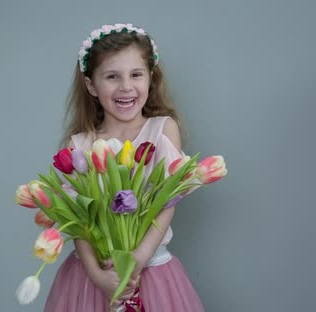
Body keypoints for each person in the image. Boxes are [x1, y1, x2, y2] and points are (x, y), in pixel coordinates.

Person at [44, 23, 205, 312]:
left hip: (150, 270)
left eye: (136, 75)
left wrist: (138, 259)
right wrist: (97, 275)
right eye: (112, 77)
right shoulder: (78, 146)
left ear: (150, 79)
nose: (126, 87)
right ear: (91, 85)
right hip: (91, 277)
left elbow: (167, 201)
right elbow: (80, 220)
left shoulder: (163, 130)